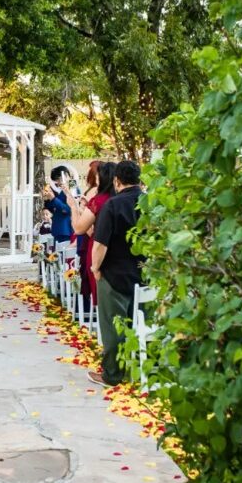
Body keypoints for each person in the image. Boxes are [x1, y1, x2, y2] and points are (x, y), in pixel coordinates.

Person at [88, 160, 143, 387]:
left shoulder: (113, 205)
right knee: (141, 324)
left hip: (115, 274)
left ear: (117, 181)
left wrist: (95, 268)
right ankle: (140, 371)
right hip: (145, 275)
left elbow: (100, 245)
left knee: (113, 327)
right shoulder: (151, 203)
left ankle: (112, 374)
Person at [64, 161, 116, 304]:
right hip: (119, 254)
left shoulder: (98, 201)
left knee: (102, 299)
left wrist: (74, 208)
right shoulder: (118, 199)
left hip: (97, 249)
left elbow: (80, 228)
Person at [43, 165, 73, 243]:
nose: (58, 183)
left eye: (59, 179)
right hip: (57, 229)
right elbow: (52, 208)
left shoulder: (72, 189)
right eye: (56, 180)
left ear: (65, 176)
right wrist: (46, 205)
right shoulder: (57, 190)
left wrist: (53, 199)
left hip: (66, 230)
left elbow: (68, 210)